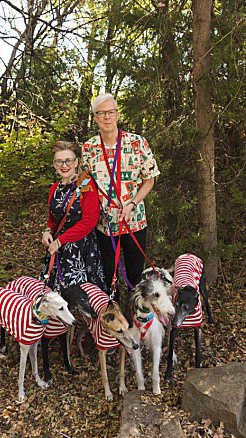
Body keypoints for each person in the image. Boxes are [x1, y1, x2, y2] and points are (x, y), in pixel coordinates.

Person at [81, 93, 160, 295]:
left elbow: (149, 180)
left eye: (111, 112)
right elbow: (85, 185)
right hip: (104, 225)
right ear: (95, 117)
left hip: (134, 221)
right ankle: (112, 310)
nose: (107, 117)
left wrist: (132, 203)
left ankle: (136, 311)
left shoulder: (138, 143)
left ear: (117, 114)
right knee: (108, 276)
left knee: (136, 276)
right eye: (101, 113)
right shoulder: (88, 148)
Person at [41, 141, 106, 291]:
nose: (64, 165)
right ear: (54, 164)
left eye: (68, 160)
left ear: (76, 162)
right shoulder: (54, 189)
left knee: (80, 295)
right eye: (59, 161)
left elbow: (89, 221)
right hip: (58, 248)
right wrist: (47, 231)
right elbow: (53, 220)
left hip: (81, 249)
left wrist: (61, 240)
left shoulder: (86, 185)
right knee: (55, 297)